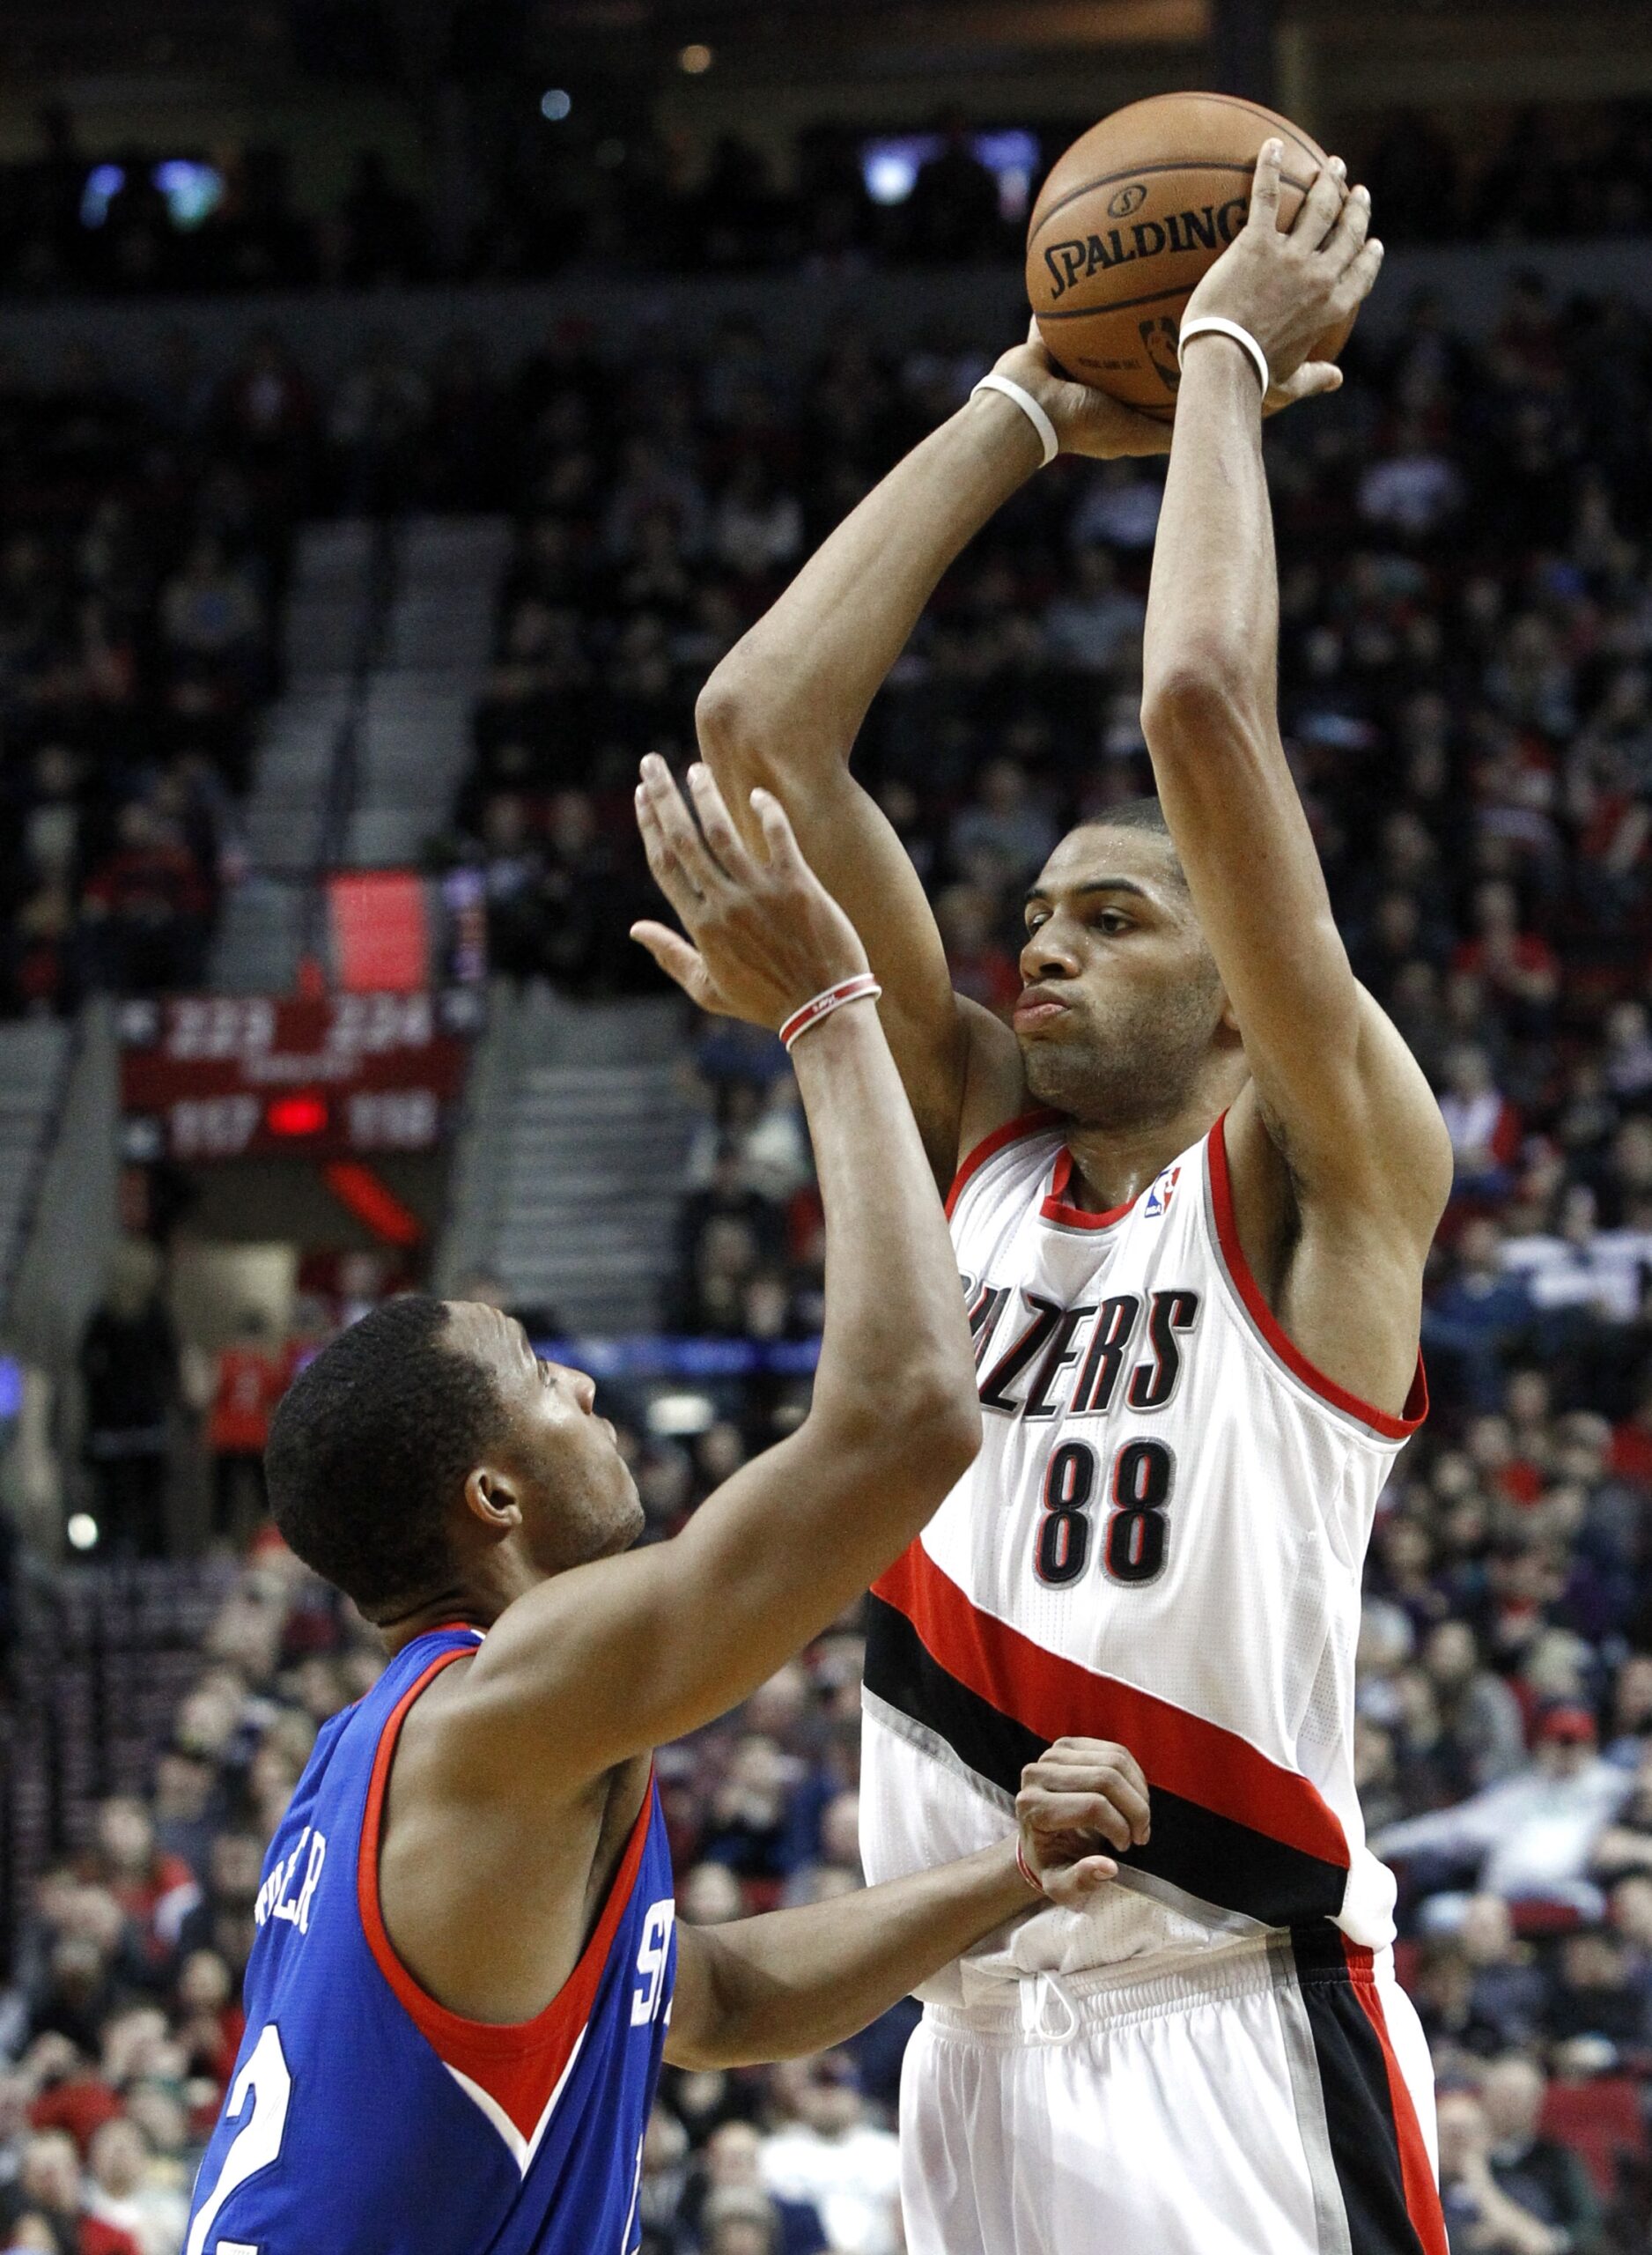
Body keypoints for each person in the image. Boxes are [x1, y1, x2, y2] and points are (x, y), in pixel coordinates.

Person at [697, 145, 1449, 2253]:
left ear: (1237, 984)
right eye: (1028, 914)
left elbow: (1200, 704)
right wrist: (1021, 402)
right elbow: (757, 727)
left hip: (1227, 2015)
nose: (1037, 945)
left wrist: (1216, 357)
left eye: (1111, 917)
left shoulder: (1320, 1169)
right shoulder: (978, 1148)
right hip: (956, 2035)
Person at [182, 763, 1149, 2255]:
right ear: (492, 1496)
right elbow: (905, 1420)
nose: (575, 1379)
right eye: (532, 1375)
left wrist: (1009, 1878)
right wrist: (829, 1016)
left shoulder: (419, 1757)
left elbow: (710, 2002)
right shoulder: (502, 1710)